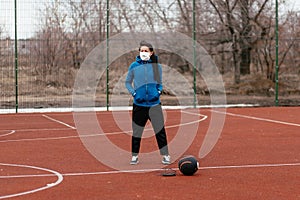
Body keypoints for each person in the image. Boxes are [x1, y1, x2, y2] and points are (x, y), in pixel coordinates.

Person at [125, 40, 170, 165]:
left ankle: (165, 155)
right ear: (139, 52)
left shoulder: (157, 67)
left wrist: (158, 92)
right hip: (139, 105)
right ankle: (134, 156)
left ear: (151, 53)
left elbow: (159, 84)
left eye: (146, 51)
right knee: (137, 131)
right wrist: (134, 94)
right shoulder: (134, 66)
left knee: (160, 131)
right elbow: (127, 82)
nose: (143, 53)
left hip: (154, 104)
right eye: (141, 51)